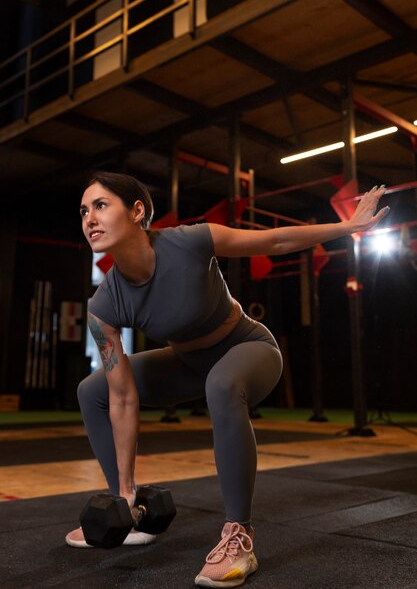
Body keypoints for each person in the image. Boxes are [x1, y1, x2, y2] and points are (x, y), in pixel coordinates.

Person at [66, 172, 389, 587]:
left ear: (137, 212)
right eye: (83, 211)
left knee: (221, 384)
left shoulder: (190, 241)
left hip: (248, 348)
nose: (89, 218)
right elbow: (123, 397)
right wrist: (126, 490)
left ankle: (240, 536)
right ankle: (127, 513)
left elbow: (273, 241)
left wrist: (349, 227)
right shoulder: (103, 304)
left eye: (101, 205)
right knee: (92, 390)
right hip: (188, 364)